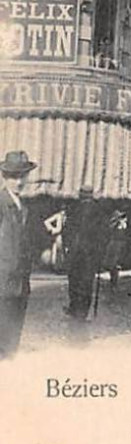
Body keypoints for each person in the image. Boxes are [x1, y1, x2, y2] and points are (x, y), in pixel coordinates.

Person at [0, 150, 36, 358]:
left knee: (13, 337)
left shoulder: (24, 206)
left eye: (23, 176)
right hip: (2, 281)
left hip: (20, 283)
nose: (19, 181)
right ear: (4, 177)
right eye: (14, 176)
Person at [64, 186, 105, 320]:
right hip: (89, 252)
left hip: (77, 250)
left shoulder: (74, 208)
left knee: (75, 280)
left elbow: (67, 229)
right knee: (85, 281)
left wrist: (67, 246)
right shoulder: (98, 211)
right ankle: (82, 311)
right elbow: (102, 234)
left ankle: (75, 308)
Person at [103, 208, 128, 289]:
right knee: (111, 263)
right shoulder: (115, 224)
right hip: (113, 242)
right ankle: (113, 280)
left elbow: (121, 232)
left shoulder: (121, 224)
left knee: (114, 263)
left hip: (118, 243)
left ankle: (114, 281)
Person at [44, 206, 67, 272]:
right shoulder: (58, 216)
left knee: (63, 252)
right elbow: (46, 222)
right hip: (59, 235)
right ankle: (55, 267)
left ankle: (62, 266)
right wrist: (52, 229)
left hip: (65, 235)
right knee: (56, 251)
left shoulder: (70, 216)